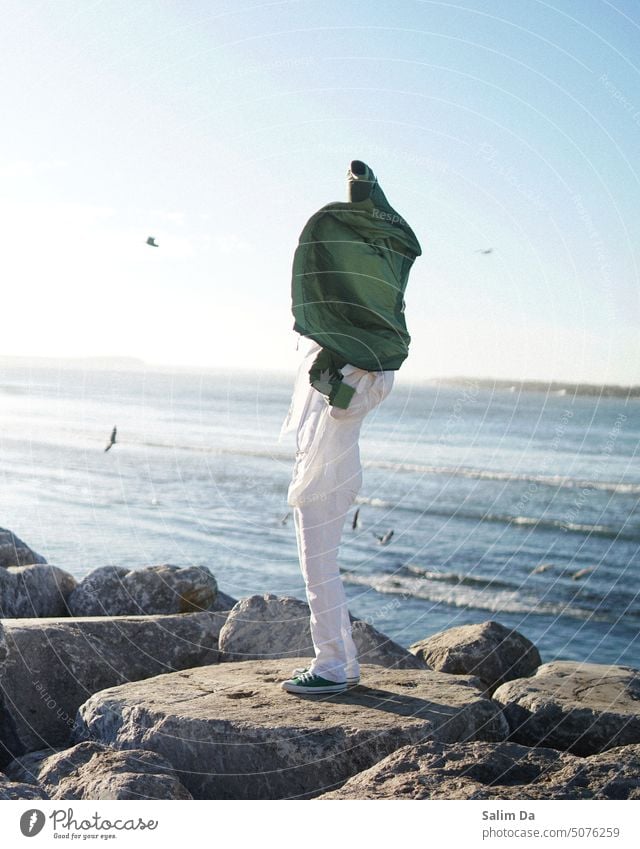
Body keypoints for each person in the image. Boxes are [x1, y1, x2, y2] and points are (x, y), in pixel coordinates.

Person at [280, 161, 422, 695]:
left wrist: (331, 376)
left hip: (328, 479)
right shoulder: (354, 357)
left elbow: (345, 408)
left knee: (320, 574)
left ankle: (335, 666)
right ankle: (336, 660)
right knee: (319, 571)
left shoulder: (366, 368)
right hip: (322, 474)